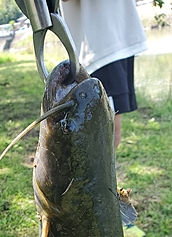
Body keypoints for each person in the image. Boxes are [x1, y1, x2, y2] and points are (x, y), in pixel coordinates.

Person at [60, 0, 147, 149]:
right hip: (98, 46)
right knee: (105, 140)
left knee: (111, 138)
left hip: (120, 36)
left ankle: (103, 173)